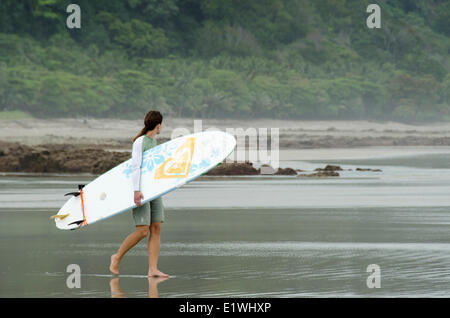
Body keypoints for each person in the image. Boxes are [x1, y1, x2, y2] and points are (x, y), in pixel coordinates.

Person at [109, 110, 169, 278]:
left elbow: (155, 168)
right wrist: (136, 190)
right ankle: (117, 257)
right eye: (161, 125)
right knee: (143, 230)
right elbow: (136, 167)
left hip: (154, 190)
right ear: (158, 125)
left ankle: (153, 269)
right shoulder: (140, 142)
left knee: (156, 227)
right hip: (140, 190)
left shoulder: (154, 142)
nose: (161, 127)